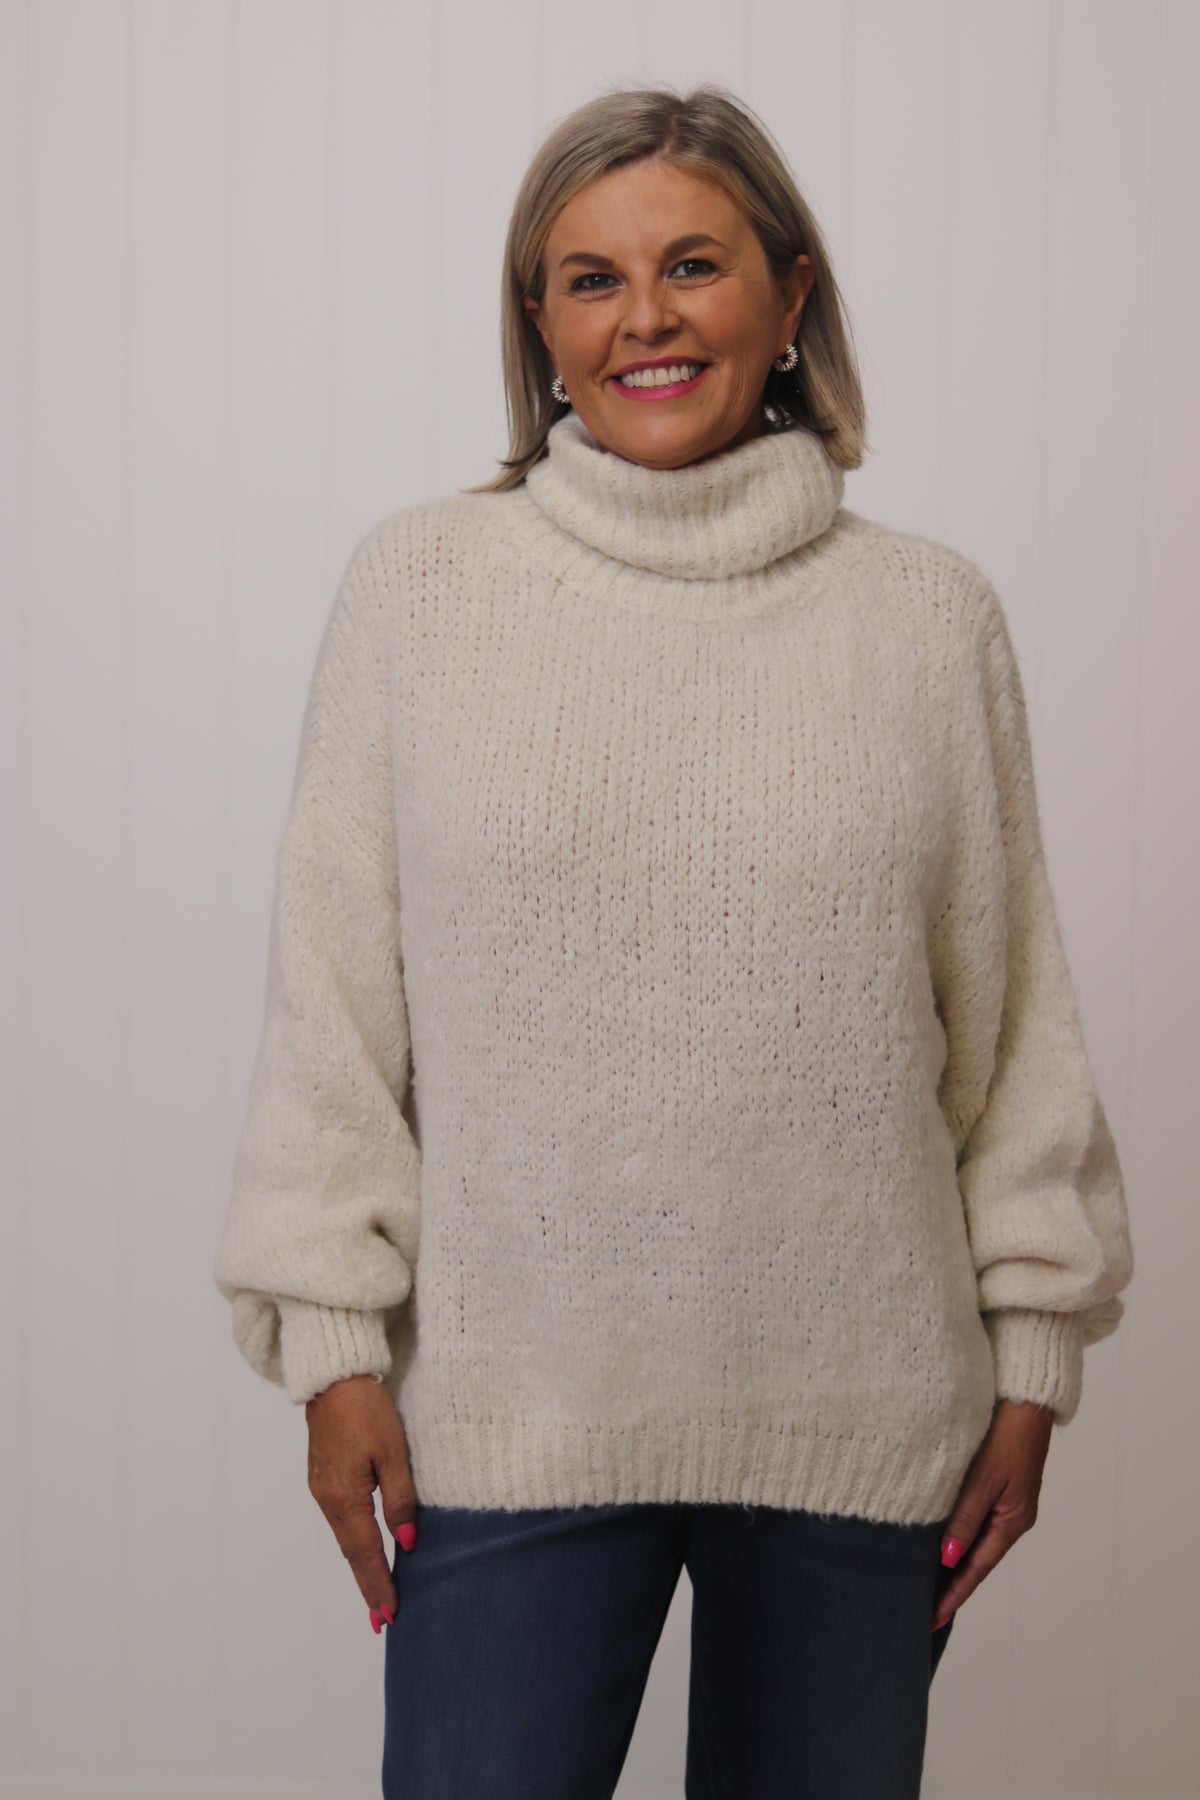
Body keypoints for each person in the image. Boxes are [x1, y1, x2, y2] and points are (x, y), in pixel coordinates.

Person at [212, 82, 1135, 1800]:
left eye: (694, 264)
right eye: (591, 278)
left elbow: (1012, 1031)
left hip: (864, 1425)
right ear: (539, 325)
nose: (644, 316)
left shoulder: (929, 621)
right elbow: (331, 1012)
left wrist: (1035, 1353)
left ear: (791, 298)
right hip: (512, 1416)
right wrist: (332, 1347)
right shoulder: (420, 593)